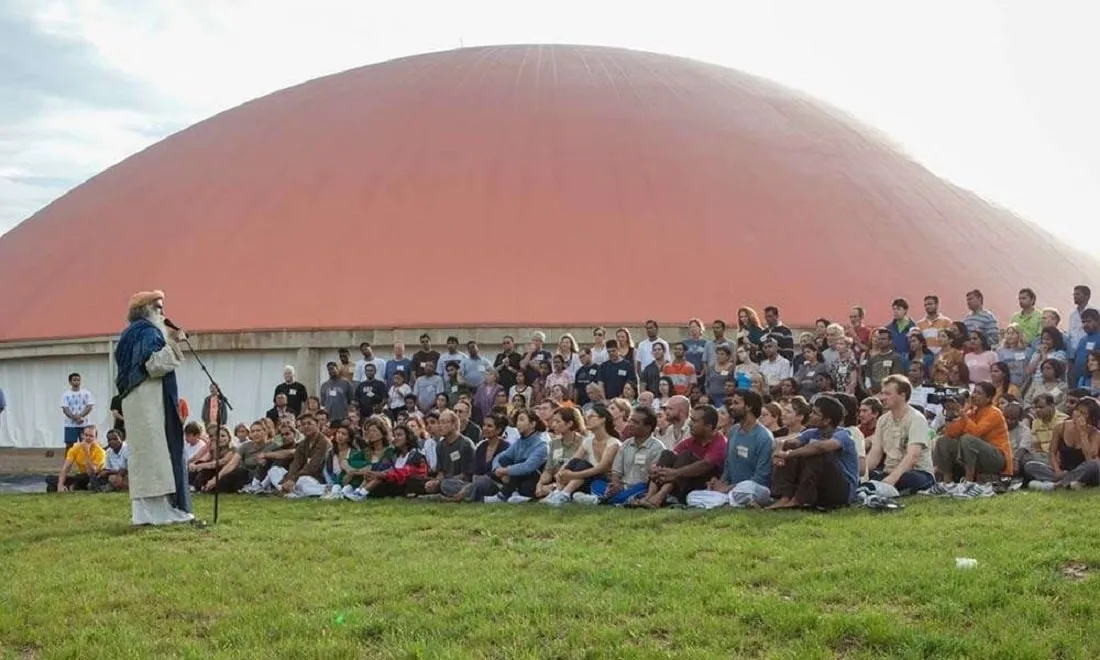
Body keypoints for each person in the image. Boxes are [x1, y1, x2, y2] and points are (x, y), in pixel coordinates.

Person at [113, 290, 196, 526]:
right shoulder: (147, 332)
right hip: (148, 401)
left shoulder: (129, 333)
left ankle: (145, 514)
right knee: (156, 454)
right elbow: (153, 365)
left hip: (138, 401)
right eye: (158, 307)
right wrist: (174, 342)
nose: (163, 312)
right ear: (145, 310)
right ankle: (162, 513)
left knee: (144, 456)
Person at [768, 395, 860, 509]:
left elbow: (822, 447)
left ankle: (798, 500)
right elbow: (789, 442)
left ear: (827, 420)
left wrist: (788, 454)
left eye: (815, 413)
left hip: (842, 490)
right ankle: (785, 497)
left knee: (816, 453)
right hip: (821, 487)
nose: (811, 415)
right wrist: (779, 451)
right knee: (794, 448)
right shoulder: (812, 432)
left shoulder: (844, 435)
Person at [864, 375, 936, 493]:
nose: (882, 398)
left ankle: (881, 488)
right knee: (870, 476)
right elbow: (874, 454)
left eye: (888, 394)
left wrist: (891, 480)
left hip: (917, 472)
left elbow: (913, 456)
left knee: (907, 479)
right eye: (882, 393)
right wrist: (859, 474)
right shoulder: (882, 420)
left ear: (902, 395)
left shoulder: (917, 419)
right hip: (889, 471)